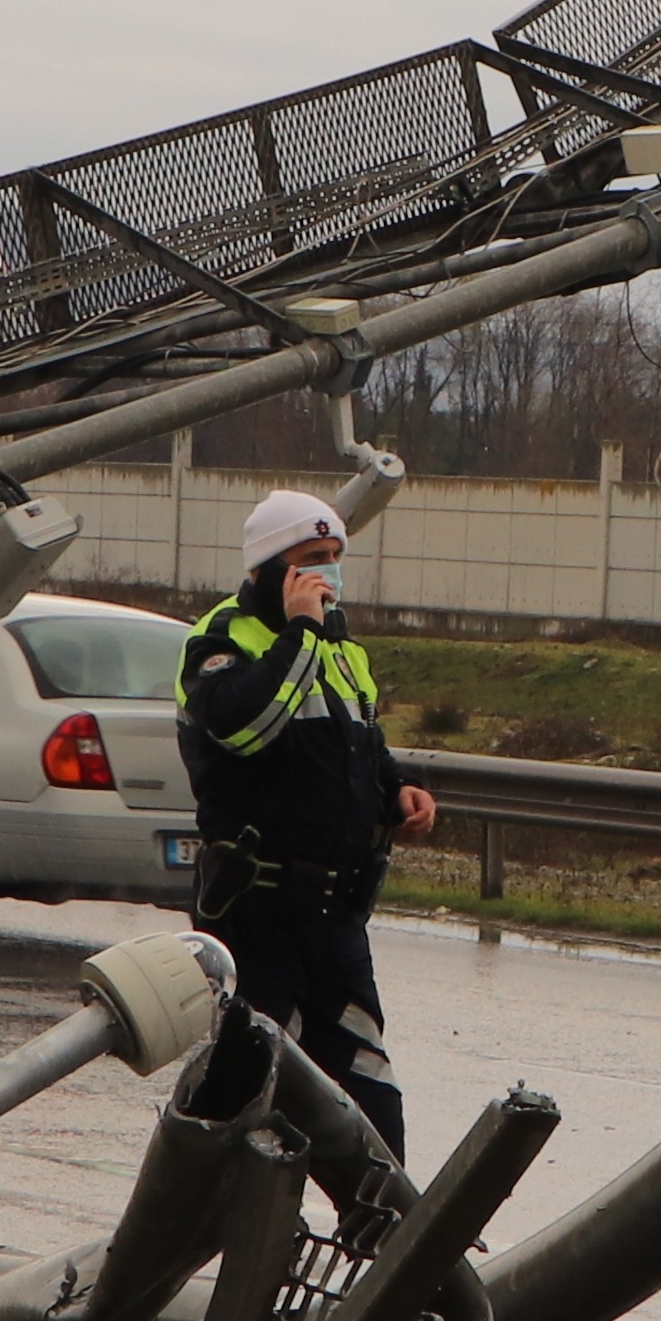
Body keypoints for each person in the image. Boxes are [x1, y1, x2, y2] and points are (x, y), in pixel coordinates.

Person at [178, 486, 439, 1155]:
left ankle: (390, 1241)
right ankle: (223, 1234)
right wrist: (301, 632)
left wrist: (400, 792)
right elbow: (250, 730)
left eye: (333, 557)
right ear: (269, 569)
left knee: (371, 1098)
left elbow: (358, 751)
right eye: (309, 560)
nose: (326, 574)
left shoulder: (342, 650)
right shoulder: (220, 643)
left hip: (336, 920)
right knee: (252, 1101)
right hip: (257, 915)